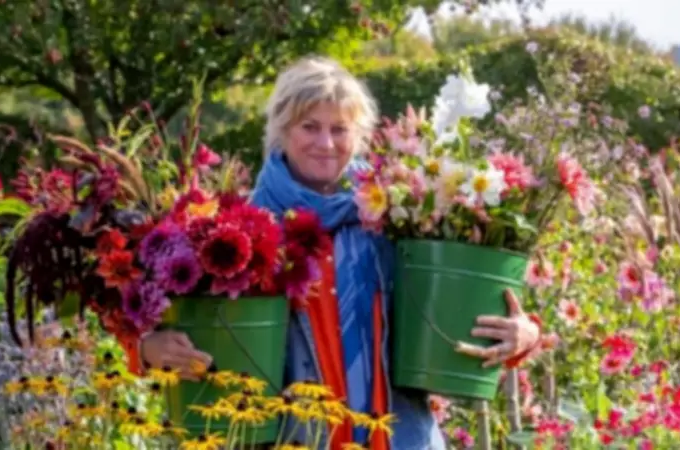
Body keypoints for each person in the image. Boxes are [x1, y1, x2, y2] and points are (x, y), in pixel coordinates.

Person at [131, 56, 544, 449]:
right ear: (281, 131)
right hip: (291, 439)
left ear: (358, 136)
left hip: (398, 437)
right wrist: (149, 349)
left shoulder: (399, 217)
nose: (325, 144)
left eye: (340, 129)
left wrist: (524, 334)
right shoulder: (240, 229)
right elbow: (164, 320)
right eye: (309, 127)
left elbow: (455, 306)